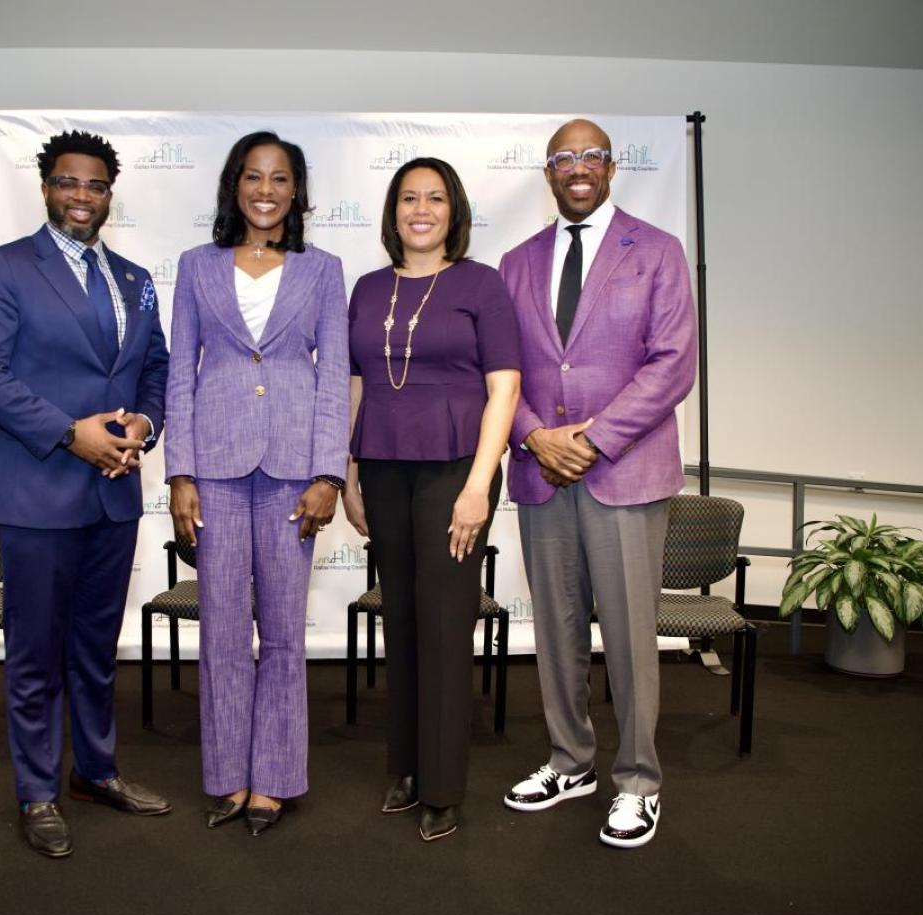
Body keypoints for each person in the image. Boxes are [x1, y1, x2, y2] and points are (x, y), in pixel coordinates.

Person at [0, 129, 171, 858]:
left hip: (113, 494)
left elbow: (155, 370)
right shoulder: (6, 269)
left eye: (97, 185)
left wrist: (144, 422)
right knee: (36, 656)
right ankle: (38, 792)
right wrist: (67, 432)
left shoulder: (136, 277)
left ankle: (97, 772)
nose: (83, 196)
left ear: (111, 193)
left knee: (95, 650)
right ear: (46, 186)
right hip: (39, 491)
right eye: (69, 183)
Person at [499, 118, 697, 848]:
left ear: (611, 167)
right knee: (555, 632)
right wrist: (533, 435)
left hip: (625, 472)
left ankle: (639, 779)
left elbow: (672, 363)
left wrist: (593, 438)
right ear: (548, 173)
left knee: (628, 638)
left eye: (590, 156)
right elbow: (501, 372)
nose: (577, 168)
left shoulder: (658, 251)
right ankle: (569, 760)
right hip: (541, 472)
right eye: (563, 158)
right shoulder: (515, 262)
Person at [165, 131, 349, 836]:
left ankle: (274, 776)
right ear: (233, 186)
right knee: (219, 630)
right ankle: (228, 776)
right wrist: (179, 471)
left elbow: (333, 375)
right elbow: (182, 372)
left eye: (279, 179)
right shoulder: (196, 266)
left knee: (280, 634)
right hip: (212, 467)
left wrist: (329, 472)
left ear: (296, 191)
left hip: (293, 472)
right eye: (253, 177)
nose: (265, 190)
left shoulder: (323, 269)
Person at [342, 157, 521, 842]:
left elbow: (504, 388)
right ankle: (408, 768)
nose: (422, 209)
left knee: (445, 625)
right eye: (409, 198)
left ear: (455, 211)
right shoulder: (367, 288)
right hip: (383, 466)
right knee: (402, 620)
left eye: (436, 198)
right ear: (392, 213)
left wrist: (480, 485)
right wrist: (350, 472)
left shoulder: (482, 284)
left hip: (455, 470)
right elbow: (358, 386)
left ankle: (443, 788)